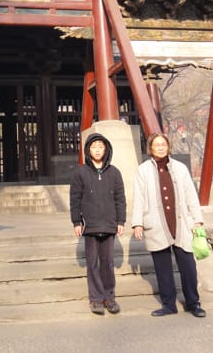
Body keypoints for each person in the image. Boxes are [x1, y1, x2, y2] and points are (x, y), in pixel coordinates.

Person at [131, 132, 206, 318]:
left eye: (163, 144)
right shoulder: (143, 170)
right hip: (156, 223)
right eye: (156, 145)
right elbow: (139, 198)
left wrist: (197, 219)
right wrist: (137, 223)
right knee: (162, 268)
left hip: (181, 223)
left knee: (188, 266)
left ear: (168, 147)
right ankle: (169, 304)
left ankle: (193, 303)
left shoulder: (180, 168)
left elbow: (190, 195)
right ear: (150, 148)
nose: (160, 148)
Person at [69, 133, 126, 315]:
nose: (97, 150)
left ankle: (109, 297)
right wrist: (77, 221)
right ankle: (96, 299)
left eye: (101, 147)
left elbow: (120, 199)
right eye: (94, 147)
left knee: (108, 263)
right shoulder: (80, 173)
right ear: (88, 150)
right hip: (90, 226)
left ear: (106, 149)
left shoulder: (114, 172)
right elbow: (75, 199)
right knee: (92, 263)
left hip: (109, 224)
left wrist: (120, 221)